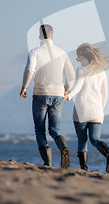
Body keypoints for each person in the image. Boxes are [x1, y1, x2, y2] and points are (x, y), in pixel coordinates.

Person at [20, 24, 75, 168]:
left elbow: (29, 69)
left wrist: (24, 86)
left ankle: (47, 163)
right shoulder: (62, 53)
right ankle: (63, 148)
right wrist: (66, 89)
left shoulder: (35, 52)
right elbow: (72, 76)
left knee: (40, 130)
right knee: (54, 129)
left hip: (40, 94)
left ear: (39, 37)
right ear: (52, 36)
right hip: (58, 95)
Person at [65, 43, 109, 173]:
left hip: (81, 111)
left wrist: (68, 95)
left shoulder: (81, 70)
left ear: (82, 56)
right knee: (95, 139)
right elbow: (105, 94)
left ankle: (84, 168)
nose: (77, 60)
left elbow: (78, 86)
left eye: (77, 57)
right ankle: (108, 153)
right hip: (97, 112)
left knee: (82, 140)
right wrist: (100, 109)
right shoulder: (102, 72)